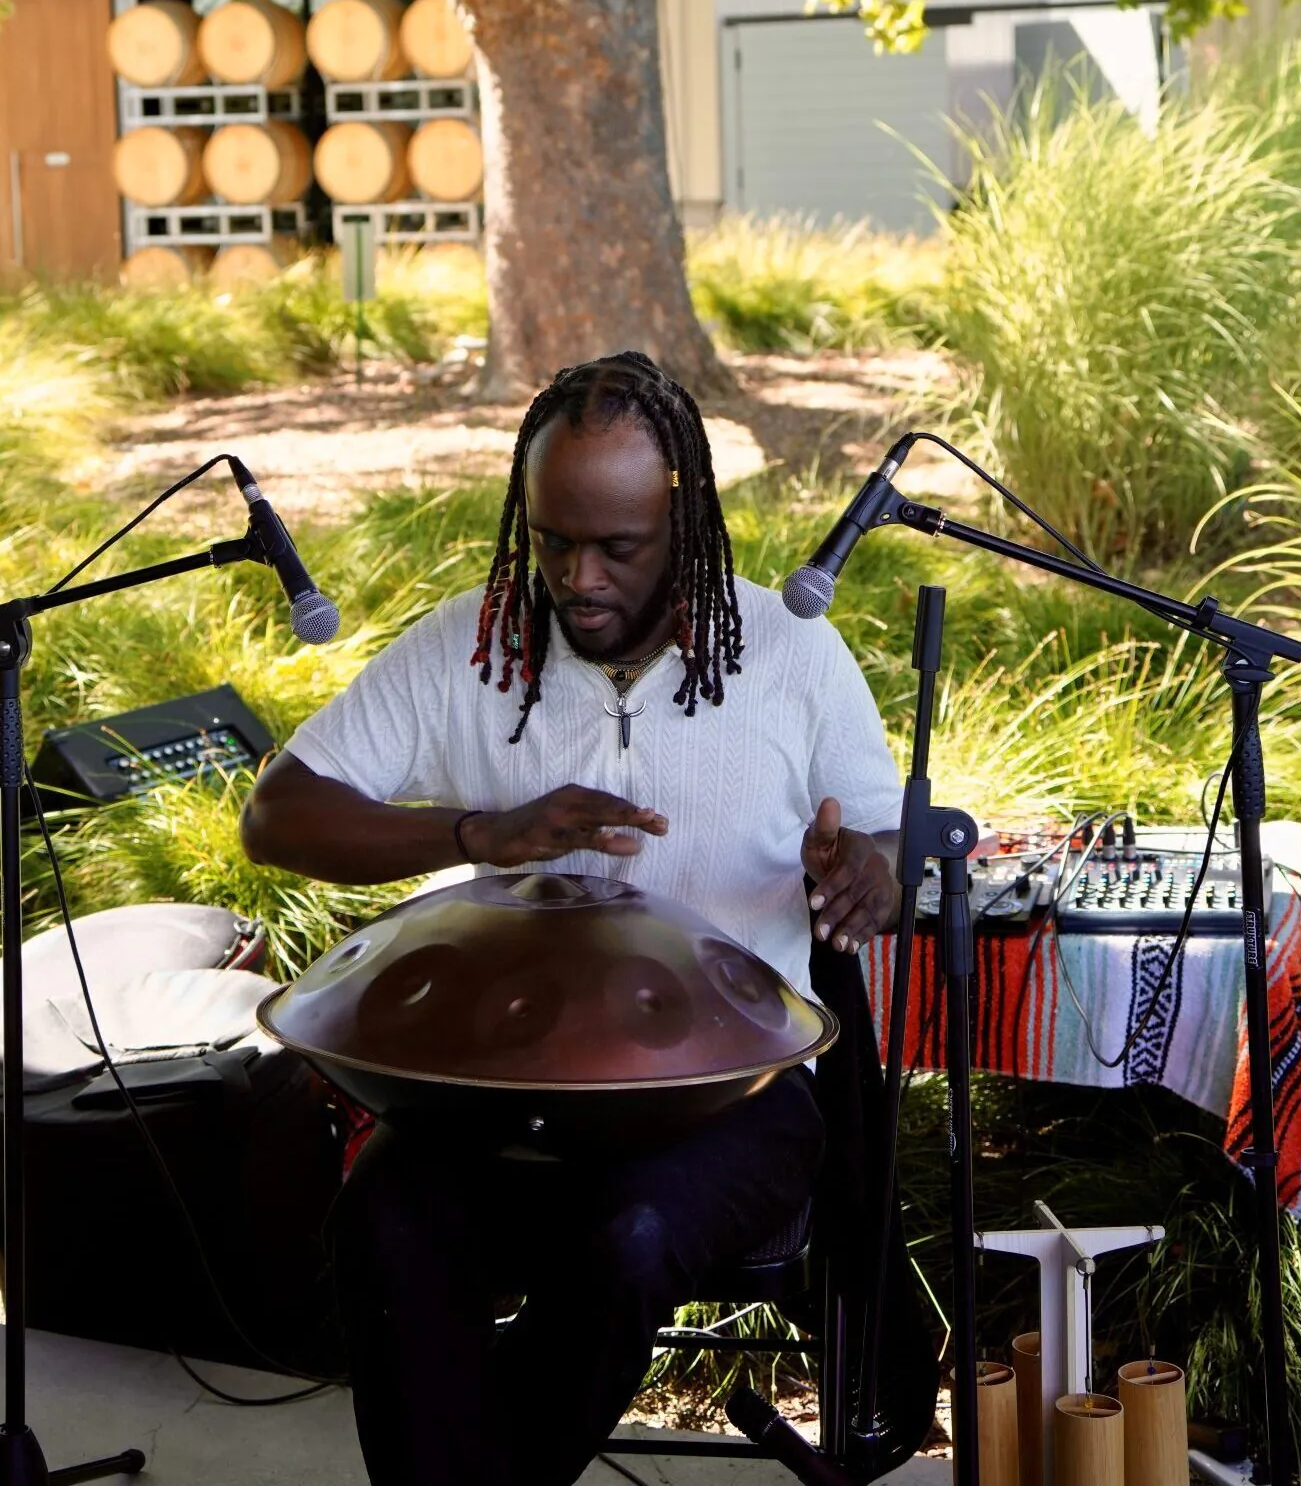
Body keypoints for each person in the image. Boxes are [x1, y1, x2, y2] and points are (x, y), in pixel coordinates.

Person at [240, 349, 909, 1486]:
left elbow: (892, 842)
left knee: (628, 1236)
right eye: (552, 539)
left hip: (729, 1095)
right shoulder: (473, 644)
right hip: (498, 1091)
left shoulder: (791, 653)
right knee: (384, 1222)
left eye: (617, 547)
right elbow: (279, 815)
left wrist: (867, 870)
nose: (576, 575)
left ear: (683, 518)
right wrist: (474, 835)